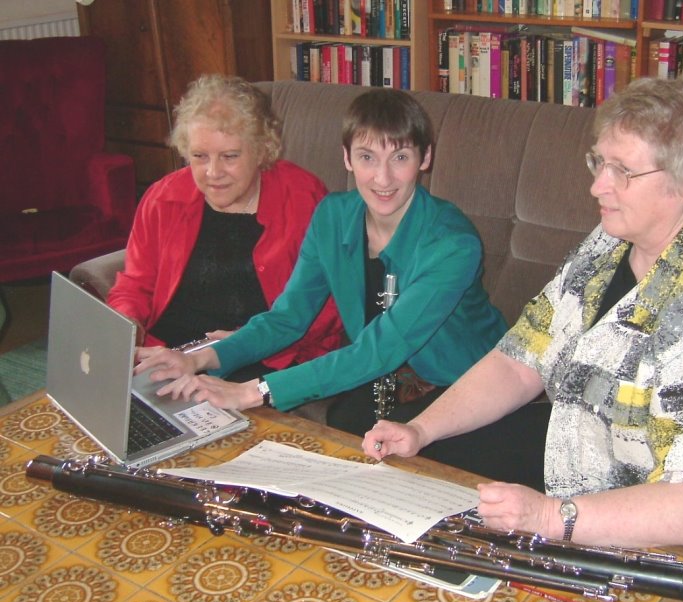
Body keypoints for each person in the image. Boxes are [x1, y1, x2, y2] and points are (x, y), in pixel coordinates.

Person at [363, 78, 683, 567]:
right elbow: (520, 360)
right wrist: (422, 429)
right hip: (586, 451)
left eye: (624, 171)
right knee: (411, 486)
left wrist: (552, 517)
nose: (598, 186)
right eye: (599, 162)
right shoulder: (613, 241)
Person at [135, 88, 507, 428]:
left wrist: (254, 391)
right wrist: (198, 359)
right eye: (367, 157)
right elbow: (287, 318)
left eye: (400, 157)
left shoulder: (453, 243)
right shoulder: (332, 217)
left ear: (425, 158)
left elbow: (380, 349)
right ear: (347, 158)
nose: (382, 177)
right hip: (377, 382)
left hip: (463, 387)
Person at [108, 74, 343, 382]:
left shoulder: (304, 200)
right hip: (168, 354)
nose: (213, 172)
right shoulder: (163, 199)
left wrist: (238, 343)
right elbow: (134, 285)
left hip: (261, 358)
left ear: (262, 150)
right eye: (199, 156)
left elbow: (329, 309)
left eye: (230, 156)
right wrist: (127, 325)